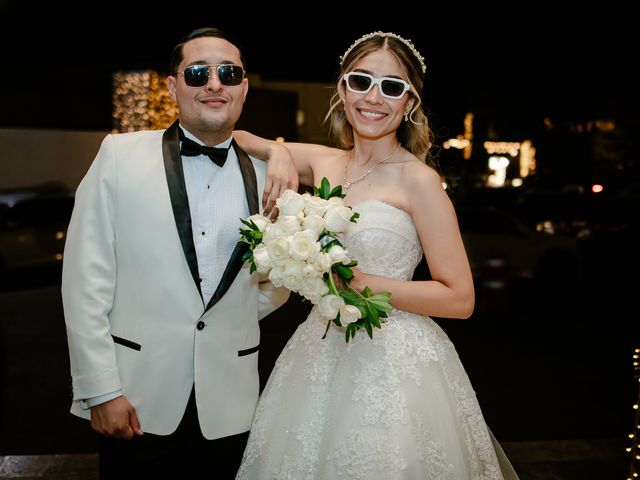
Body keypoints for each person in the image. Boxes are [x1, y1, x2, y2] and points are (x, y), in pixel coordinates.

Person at [233, 32, 519, 479]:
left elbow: (460, 298)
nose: (373, 97)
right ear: (342, 91)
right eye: (361, 80)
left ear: (409, 103)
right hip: (319, 352)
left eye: (392, 86)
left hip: (395, 366)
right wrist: (278, 150)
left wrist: (361, 283)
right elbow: (238, 137)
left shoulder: (419, 181)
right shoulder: (326, 162)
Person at [62, 27, 297, 479]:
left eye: (229, 73)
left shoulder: (272, 175)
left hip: (231, 405)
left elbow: (276, 284)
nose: (214, 83)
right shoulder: (118, 156)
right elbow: (84, 282)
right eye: (197, 73)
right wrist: (100, 390)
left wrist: (230, 318)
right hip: (134, 401)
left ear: (244, 88)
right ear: (173, 86)